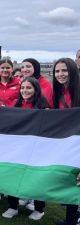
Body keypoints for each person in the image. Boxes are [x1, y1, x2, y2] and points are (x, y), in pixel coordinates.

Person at [2, 77, 47, 221]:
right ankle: (13, 206)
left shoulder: (43, 106)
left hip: (37, 149)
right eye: (22, 88)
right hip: (18, 149)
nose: (24, 91)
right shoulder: (17, 104)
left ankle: (39, 209)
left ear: (36, 89)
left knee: (37, 178)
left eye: (28, 88)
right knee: (12, 176)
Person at [52, 58, 80, 225]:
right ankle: (70, 219)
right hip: (69, 143)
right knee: (72, 181)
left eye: (64, 70)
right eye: (57, 71)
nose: (60, 74)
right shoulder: (59, 92)